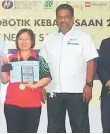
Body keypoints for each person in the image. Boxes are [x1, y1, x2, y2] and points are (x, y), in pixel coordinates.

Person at [40, 4, 98, 133]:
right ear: (56, 19)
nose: (63, 20)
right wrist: (42, 86)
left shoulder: (84, 37)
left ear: (72, 19)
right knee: (55, 128)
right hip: (53, 91)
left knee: (80, 128)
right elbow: (43, 64)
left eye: (66, 17)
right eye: (60, 17)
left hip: (77, 91)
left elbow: (90, 61)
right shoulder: (49, 39)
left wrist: (89, 85)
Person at [0, 28, 51, 133]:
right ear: (17, 41)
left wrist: (35, 86)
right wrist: (3, 65)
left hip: (33, 106)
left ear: (32, 41)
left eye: (27, 39)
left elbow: (47, 77)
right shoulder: (11, 59)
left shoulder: (38, 59)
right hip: (12, 105)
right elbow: (5, 80)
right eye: (20, 39)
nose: (23, 42)